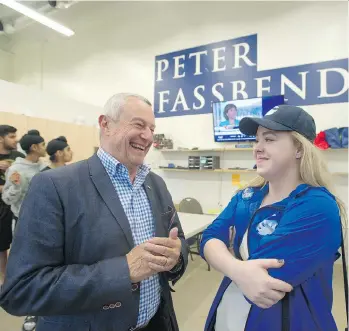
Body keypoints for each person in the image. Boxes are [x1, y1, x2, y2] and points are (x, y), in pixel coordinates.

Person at [0, 93, 189, 331]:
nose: (148, 136)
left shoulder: (156, 184)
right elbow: (21, 290)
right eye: (139, 125)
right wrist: (124, 271)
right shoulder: (54, 186)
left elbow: (178, 240)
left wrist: (176, 256)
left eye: (152, 128)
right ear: (105, 124)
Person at [201, 105, 346, 331]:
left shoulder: (318, 206)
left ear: (299, 148)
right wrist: (238, 269)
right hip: (228, 317)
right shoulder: (246, 196)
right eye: (256, 140)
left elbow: (263, 283)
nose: (257, 148)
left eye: (269, 139)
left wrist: (226, 257)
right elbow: (208, 237)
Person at [2, 130, 46, 226]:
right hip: (22, 221)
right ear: (34, 147)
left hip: (42, 219)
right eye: (43, 145)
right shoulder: (16, 169)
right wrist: (15, 187)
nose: (45, 148)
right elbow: (7, 199)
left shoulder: (45, 168)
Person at [0, 125, 24, 286]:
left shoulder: (19, 157)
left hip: (17, 206)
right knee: (2, 246)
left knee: (18, 243)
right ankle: (4, 280)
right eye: (12, 136)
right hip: (1, 206)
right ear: (1, 138)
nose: (16, 139)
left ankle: (16, 277)